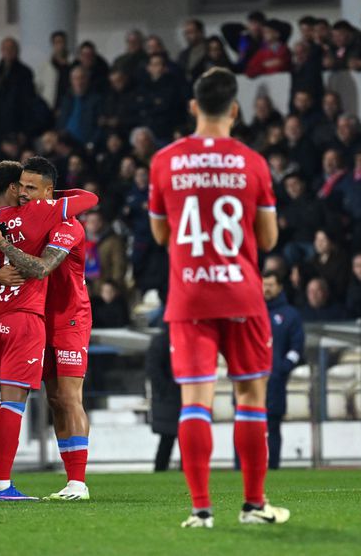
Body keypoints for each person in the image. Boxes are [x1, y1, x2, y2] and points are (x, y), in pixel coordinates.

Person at [149, 68, 290, 527]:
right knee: (251, 397)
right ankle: (253, 506)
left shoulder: (164, 160)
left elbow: (161, 234)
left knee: (196, 401)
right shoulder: (252, 161)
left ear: (193, 107)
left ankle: (201, 511)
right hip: (242, 293)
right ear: (234, 109)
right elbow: (268, 239)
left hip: (190, 295)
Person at [0, 160, 98, 501]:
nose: (24, 192)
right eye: (21, 186)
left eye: (31, 187)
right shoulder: (24, 222)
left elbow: (41, 268)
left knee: (66, 397)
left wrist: (4, 246)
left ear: (48, 193)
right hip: (32, 318)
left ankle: (77, 482)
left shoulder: (67, 227)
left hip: (69, 319)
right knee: (29, 399)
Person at [262, 272, 304, 470]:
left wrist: (283, 367)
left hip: (275, 381)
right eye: (264, 285)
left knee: (273, 426)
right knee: (246, 427)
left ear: (279, 287)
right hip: (250, 379)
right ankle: (242, 469)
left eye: (271, 284)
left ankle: (273, 468)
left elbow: (297, 347)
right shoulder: (252, 312)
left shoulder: (289, 315)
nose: (267, 289)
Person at [146, 329, 181, 472]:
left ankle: (161, 471)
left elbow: (152, 369)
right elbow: (154, 370)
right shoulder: (164, 341)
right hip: (170, 398)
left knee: (167, 441)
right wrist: (169, 388)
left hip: (167, 398)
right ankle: (186, 471)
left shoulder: (159, 340)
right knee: (169, 440)